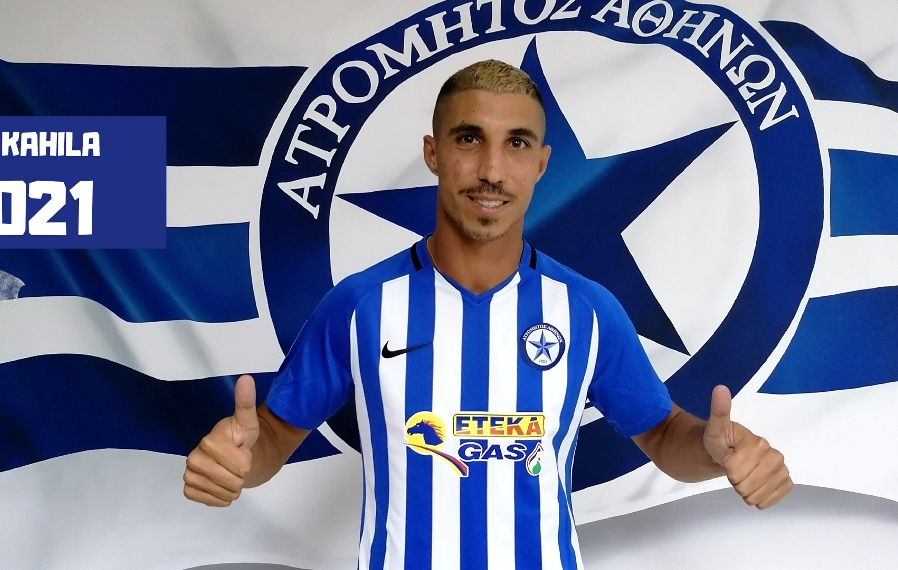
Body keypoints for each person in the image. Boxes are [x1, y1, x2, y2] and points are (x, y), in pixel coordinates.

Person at [183, 59, 792, 568]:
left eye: (516, 143)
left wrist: (712, 450)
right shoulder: (360, 306)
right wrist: (240, 460)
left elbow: (662, 435)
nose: (492, 171)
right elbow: (273, 438)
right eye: (468, 138)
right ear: (433, 153)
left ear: (542, 163)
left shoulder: (586, 311)